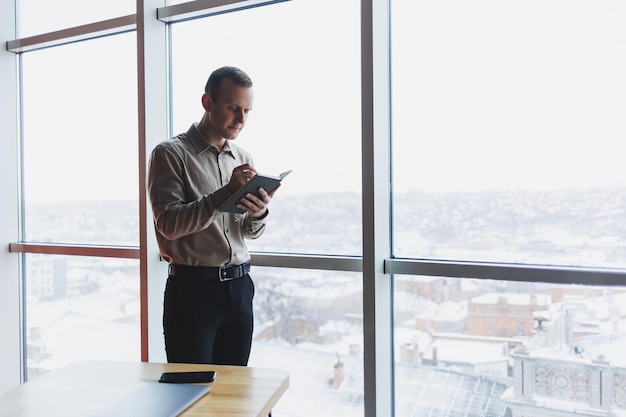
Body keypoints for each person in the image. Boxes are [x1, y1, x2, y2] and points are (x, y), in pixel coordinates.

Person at [147, 66, 278, 366]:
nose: (241, 120)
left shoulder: (243, 158)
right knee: (192, 395)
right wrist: (225, 193)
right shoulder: (170, 154)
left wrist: (258, 213)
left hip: (240, 287)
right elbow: (168, 225)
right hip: (194, 291)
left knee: (234, 394)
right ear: (207, 103)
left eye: (247, 110)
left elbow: (246, 231)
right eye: (233, 108)